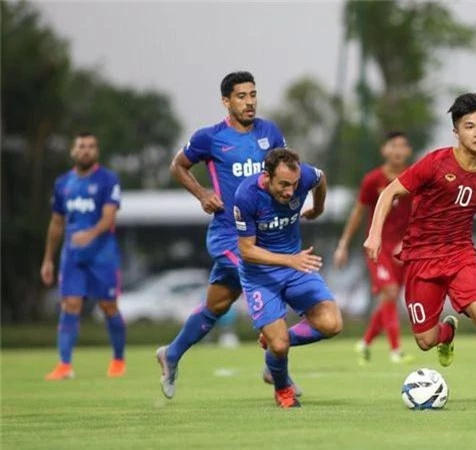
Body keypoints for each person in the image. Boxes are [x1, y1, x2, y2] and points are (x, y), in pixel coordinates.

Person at [364, 93, 476, 404]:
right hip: (421, 259)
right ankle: (447, 334)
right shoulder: (436, 163)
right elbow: (389, 193)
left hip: (460, 255)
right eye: (470, 126)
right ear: (456, 132)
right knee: (425, 341)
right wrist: (374, 235)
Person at [156, 71, 301, 399]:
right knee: (266, 278)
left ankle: (172, 354)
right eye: (241, 96)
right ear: (226, 101)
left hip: (260, 237)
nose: (249, 102)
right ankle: (277, 369)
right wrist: (202, 194)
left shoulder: (270, 132)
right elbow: (178, 165)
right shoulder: (210, 138)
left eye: (252, 94)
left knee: (216, 305)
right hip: (228, 237)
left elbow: (286, 172)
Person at [234, 148, 342, 407]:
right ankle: (283, 389)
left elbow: (321, 178)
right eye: (283, 184)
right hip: (260, 274)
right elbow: (246, 250)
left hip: (295, 266)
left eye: (294, 185)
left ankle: (272, 340)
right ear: (266, 176)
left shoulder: (304, 176)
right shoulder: (246, 196)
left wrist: (318, 207)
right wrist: (290, 260)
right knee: (280, 347)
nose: (290, 192)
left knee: (331, 324)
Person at [41, 132, 126, 380]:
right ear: (73, 151)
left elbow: (109, 216)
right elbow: (56, 223)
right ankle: (64, 365)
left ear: (96, 151)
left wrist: (90, 234)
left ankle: (118, 360)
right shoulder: (63, 184)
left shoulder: (108, 180)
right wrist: (48, 258)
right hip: (72, 256)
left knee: (108, 307)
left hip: (103, 255)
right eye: (81, 146)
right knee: (70, 305)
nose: (86, 150)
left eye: (91, 146)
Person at [333, 131, 414, 365]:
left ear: (408, 151)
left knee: (390, 299)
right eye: (393, 145)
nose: (398, 150)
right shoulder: (373, 180)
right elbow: (358, 213)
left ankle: (365, 342)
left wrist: (409, 239)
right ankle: (395, 350)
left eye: (402, 146)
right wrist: (343, 245)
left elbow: (420, 211)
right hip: (378, 247)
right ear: (384, 150)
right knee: (389, 292)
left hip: (404, 249)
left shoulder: (413, 177)